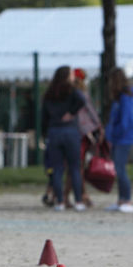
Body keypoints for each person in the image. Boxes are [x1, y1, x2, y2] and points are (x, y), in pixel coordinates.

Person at [42, 65, 87, 211]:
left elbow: (43, 115)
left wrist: (45, 133)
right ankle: (78, 200)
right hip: (70, 131)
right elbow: (82, 99)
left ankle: (60, 201)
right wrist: (71, 112)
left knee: (57, 169)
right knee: (74, 167)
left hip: (54, 131)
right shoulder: (72, 91)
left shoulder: (49, 93)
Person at [67, 67, 102, 208]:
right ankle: (82, 194)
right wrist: (99, 125)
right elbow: (90, 110)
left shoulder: (68, 93)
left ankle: (65, 195)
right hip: (82, 132)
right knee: (78, 166)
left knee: (72, 166)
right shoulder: (82, 94)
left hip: (71, 131)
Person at [105, 69, 133, 213]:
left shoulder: (125, 98)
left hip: (123, 139)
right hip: (118, 138)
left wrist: (113, 136)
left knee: (121, 169)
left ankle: (128, 199)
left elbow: (125, 121)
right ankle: (121, 200)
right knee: (118, 169)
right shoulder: (119, 99)